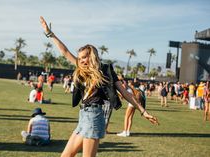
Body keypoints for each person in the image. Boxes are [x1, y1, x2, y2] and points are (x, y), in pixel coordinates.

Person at [40, 16, 159, 157]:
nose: (81, 60)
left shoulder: (106, 71)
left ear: (92, 55)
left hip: (94, 117)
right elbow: (65, 51)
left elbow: (126, 93)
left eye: (84, 56)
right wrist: (50, 33)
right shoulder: (82, 70)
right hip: (83, 116)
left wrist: (143, 111)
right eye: (80, 57)